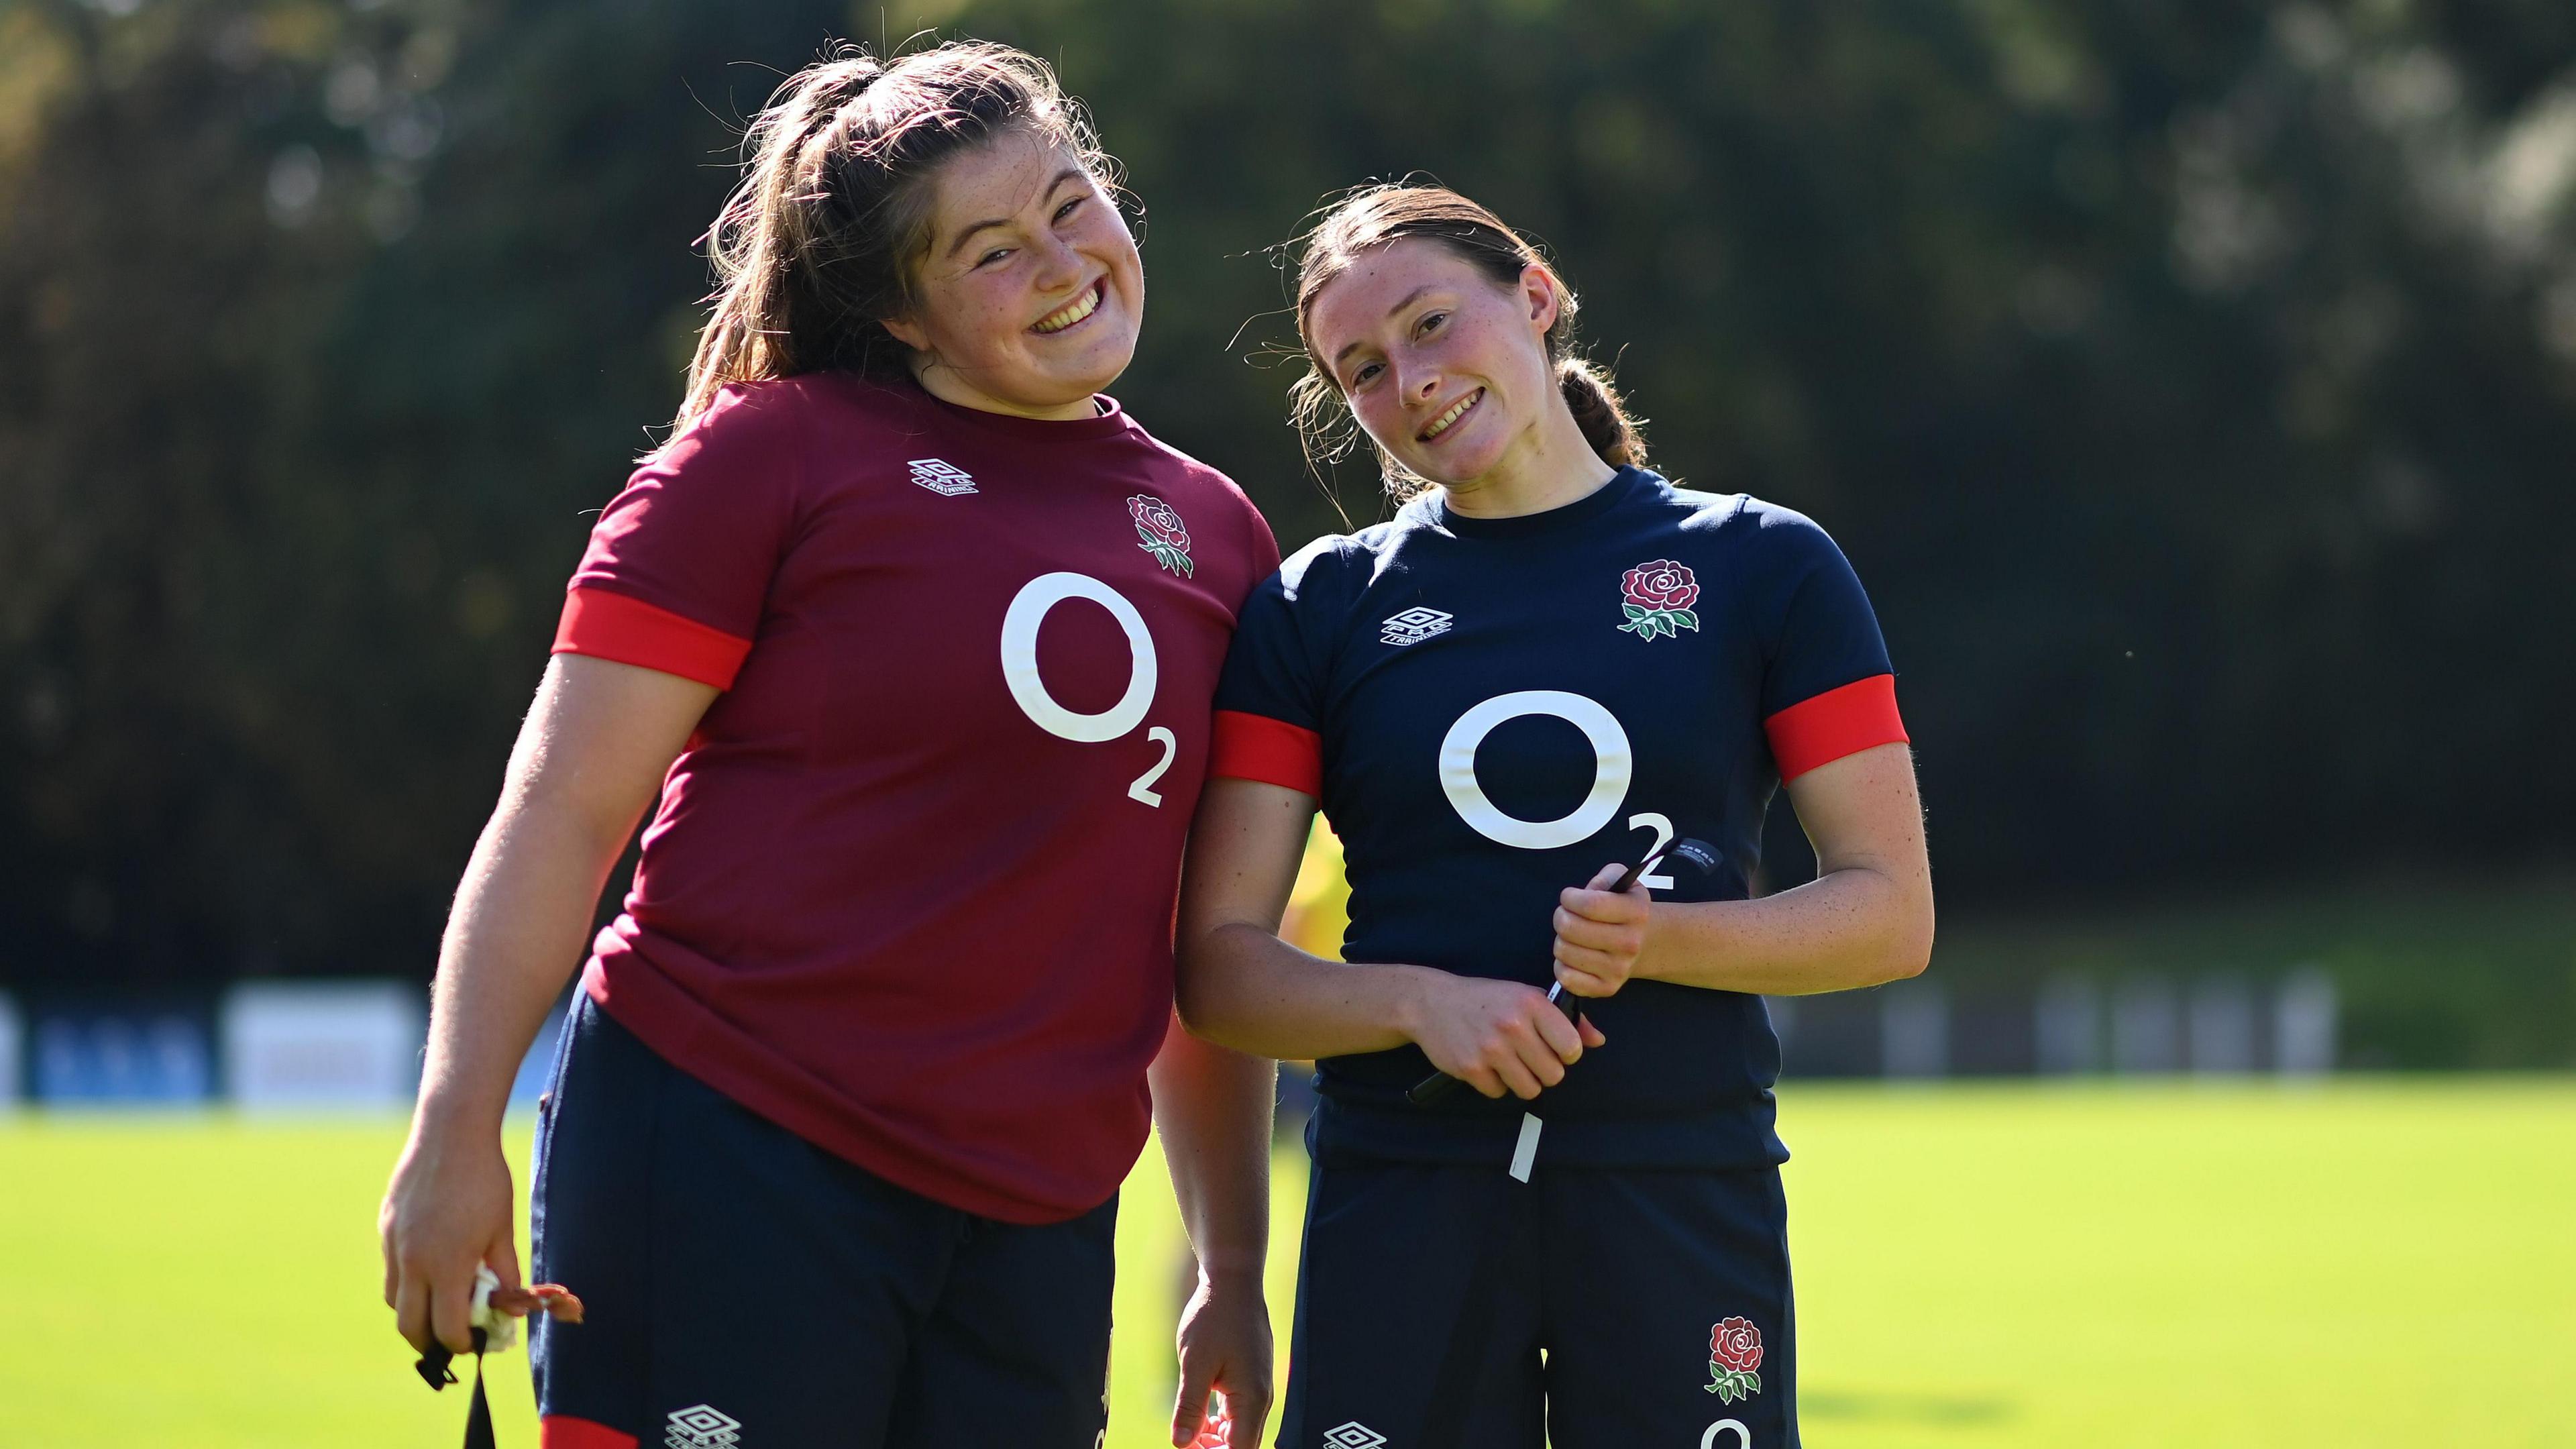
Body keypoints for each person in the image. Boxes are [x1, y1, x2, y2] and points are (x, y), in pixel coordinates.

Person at [378, 43, 1279, 1449]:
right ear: (904, 315)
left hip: (1038, 1218)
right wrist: (454, 1132)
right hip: (733, 1146)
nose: (1062, 260)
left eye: (1069, 200)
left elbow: (1197, 939)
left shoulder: (1219, 533)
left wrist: (1229, 1267)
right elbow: (561, 812)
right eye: (990, 248)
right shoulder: (770, 458)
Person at [1174, 184, 1935, 1449]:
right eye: (1360, 368)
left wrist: (1666, 942)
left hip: (1679, 1188)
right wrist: (1426, 1005)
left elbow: (1890, 915)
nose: (1406, 381)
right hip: (1402, 1196)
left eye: (1429, 325)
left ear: (1533, 293)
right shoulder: (1316, 607)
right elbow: (1218, 973)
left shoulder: (1767, 566)